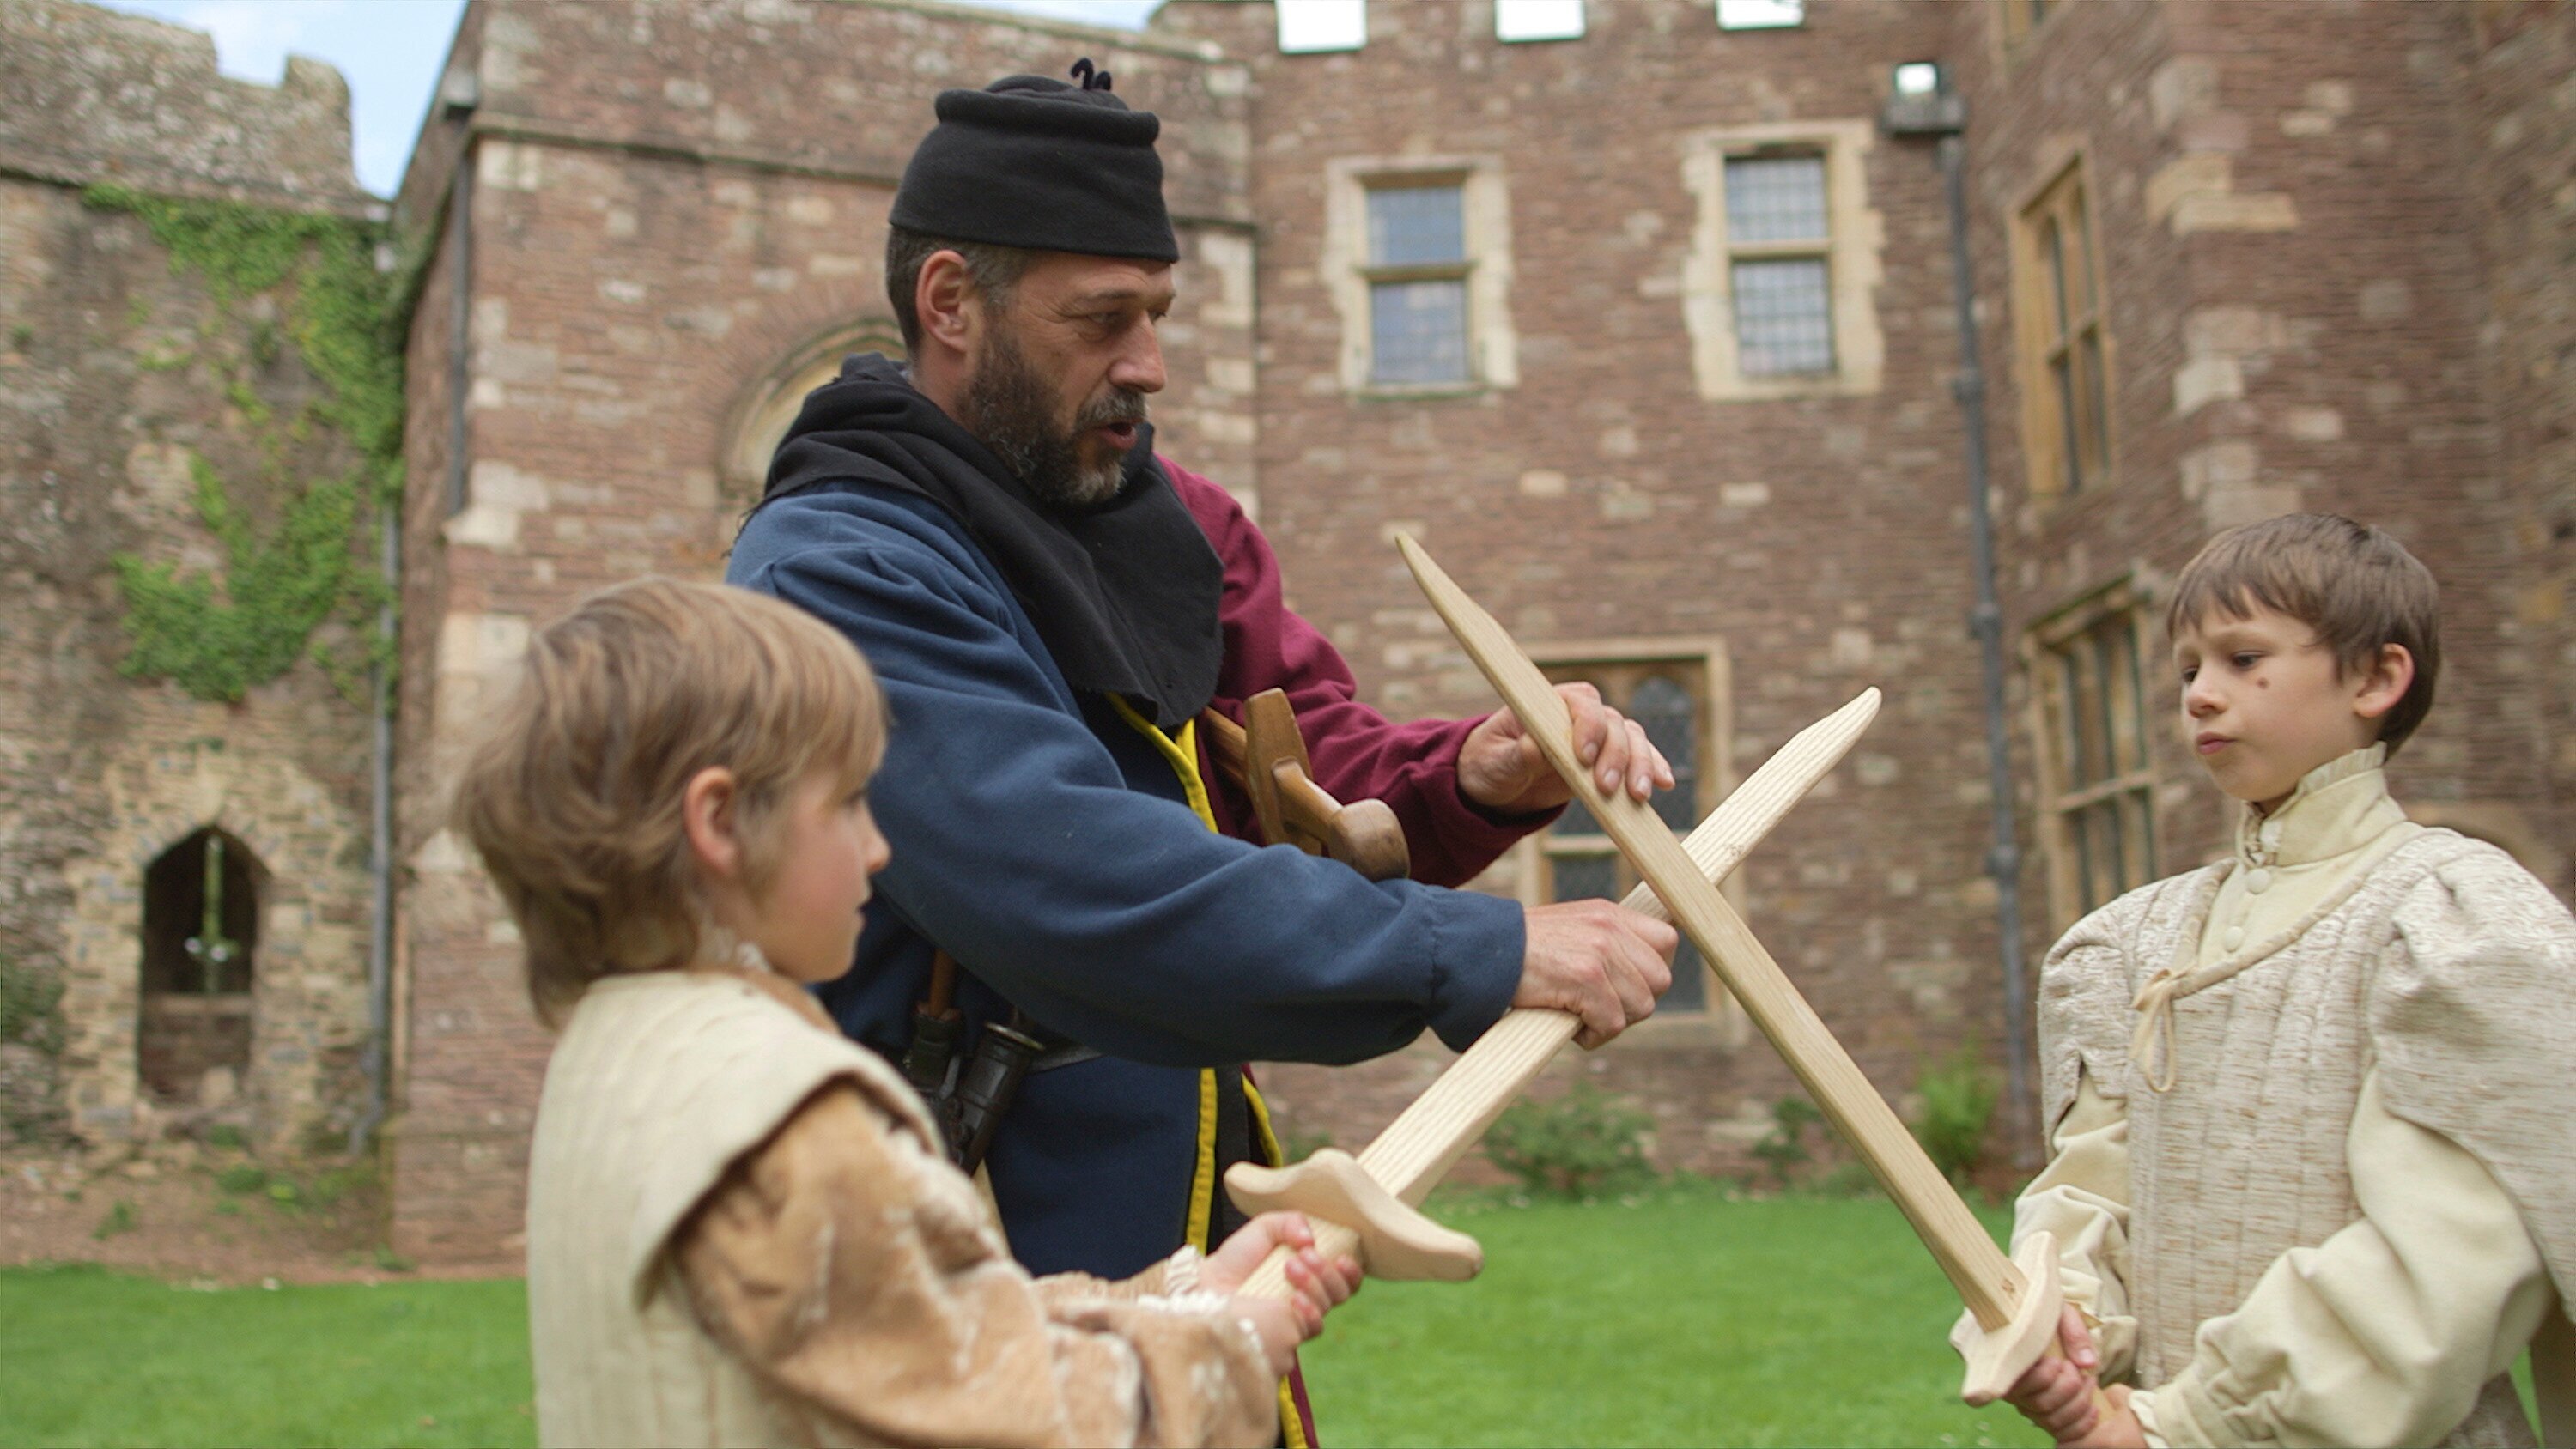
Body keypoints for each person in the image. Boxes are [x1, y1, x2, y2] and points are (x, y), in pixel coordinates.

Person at [724, 57, 1679, 1318]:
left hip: (1190, 1227)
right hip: (972, 1265)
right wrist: (1477, 950)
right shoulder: (843, 569)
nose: (1150, 364)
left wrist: (1465, 777)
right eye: (1101, 319)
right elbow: (1068, 875)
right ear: (951, 302)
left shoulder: (1171, 517)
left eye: (1158, 313)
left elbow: (1293, 758)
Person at [452, 579, 1359, 1449]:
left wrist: (1181, 1302)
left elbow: (898, 1333)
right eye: (848, 801)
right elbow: (983, 1411)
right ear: (721, 823)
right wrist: (1221, 1354)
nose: (879, 843)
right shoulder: (782, 1110)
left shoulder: (618, 1066)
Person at [1965, 514, 2575, 1447]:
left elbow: (2447, 1256)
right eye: (2186, 670)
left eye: (2243, 658)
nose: (2201, 695)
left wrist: (2197, 1421)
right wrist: (2066, 1321)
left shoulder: (2446, 916)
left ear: (2376, 677)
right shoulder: (2135, 939)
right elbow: (2088, 1185)